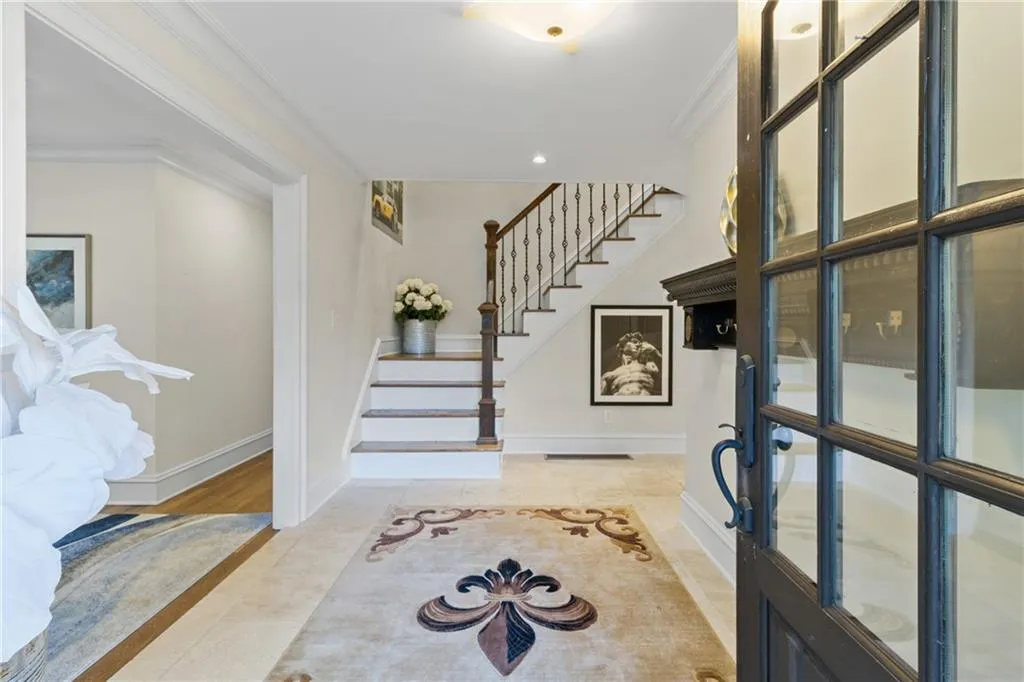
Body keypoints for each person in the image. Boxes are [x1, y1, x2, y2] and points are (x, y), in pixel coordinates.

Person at [601, 331, 662, 396]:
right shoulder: (609, 375)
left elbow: (667, 374)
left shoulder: (648, 366)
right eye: (635, 342)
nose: (638, 345)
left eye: (640, 344)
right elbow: (598, 400)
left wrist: (655, 352)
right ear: (622, 348)